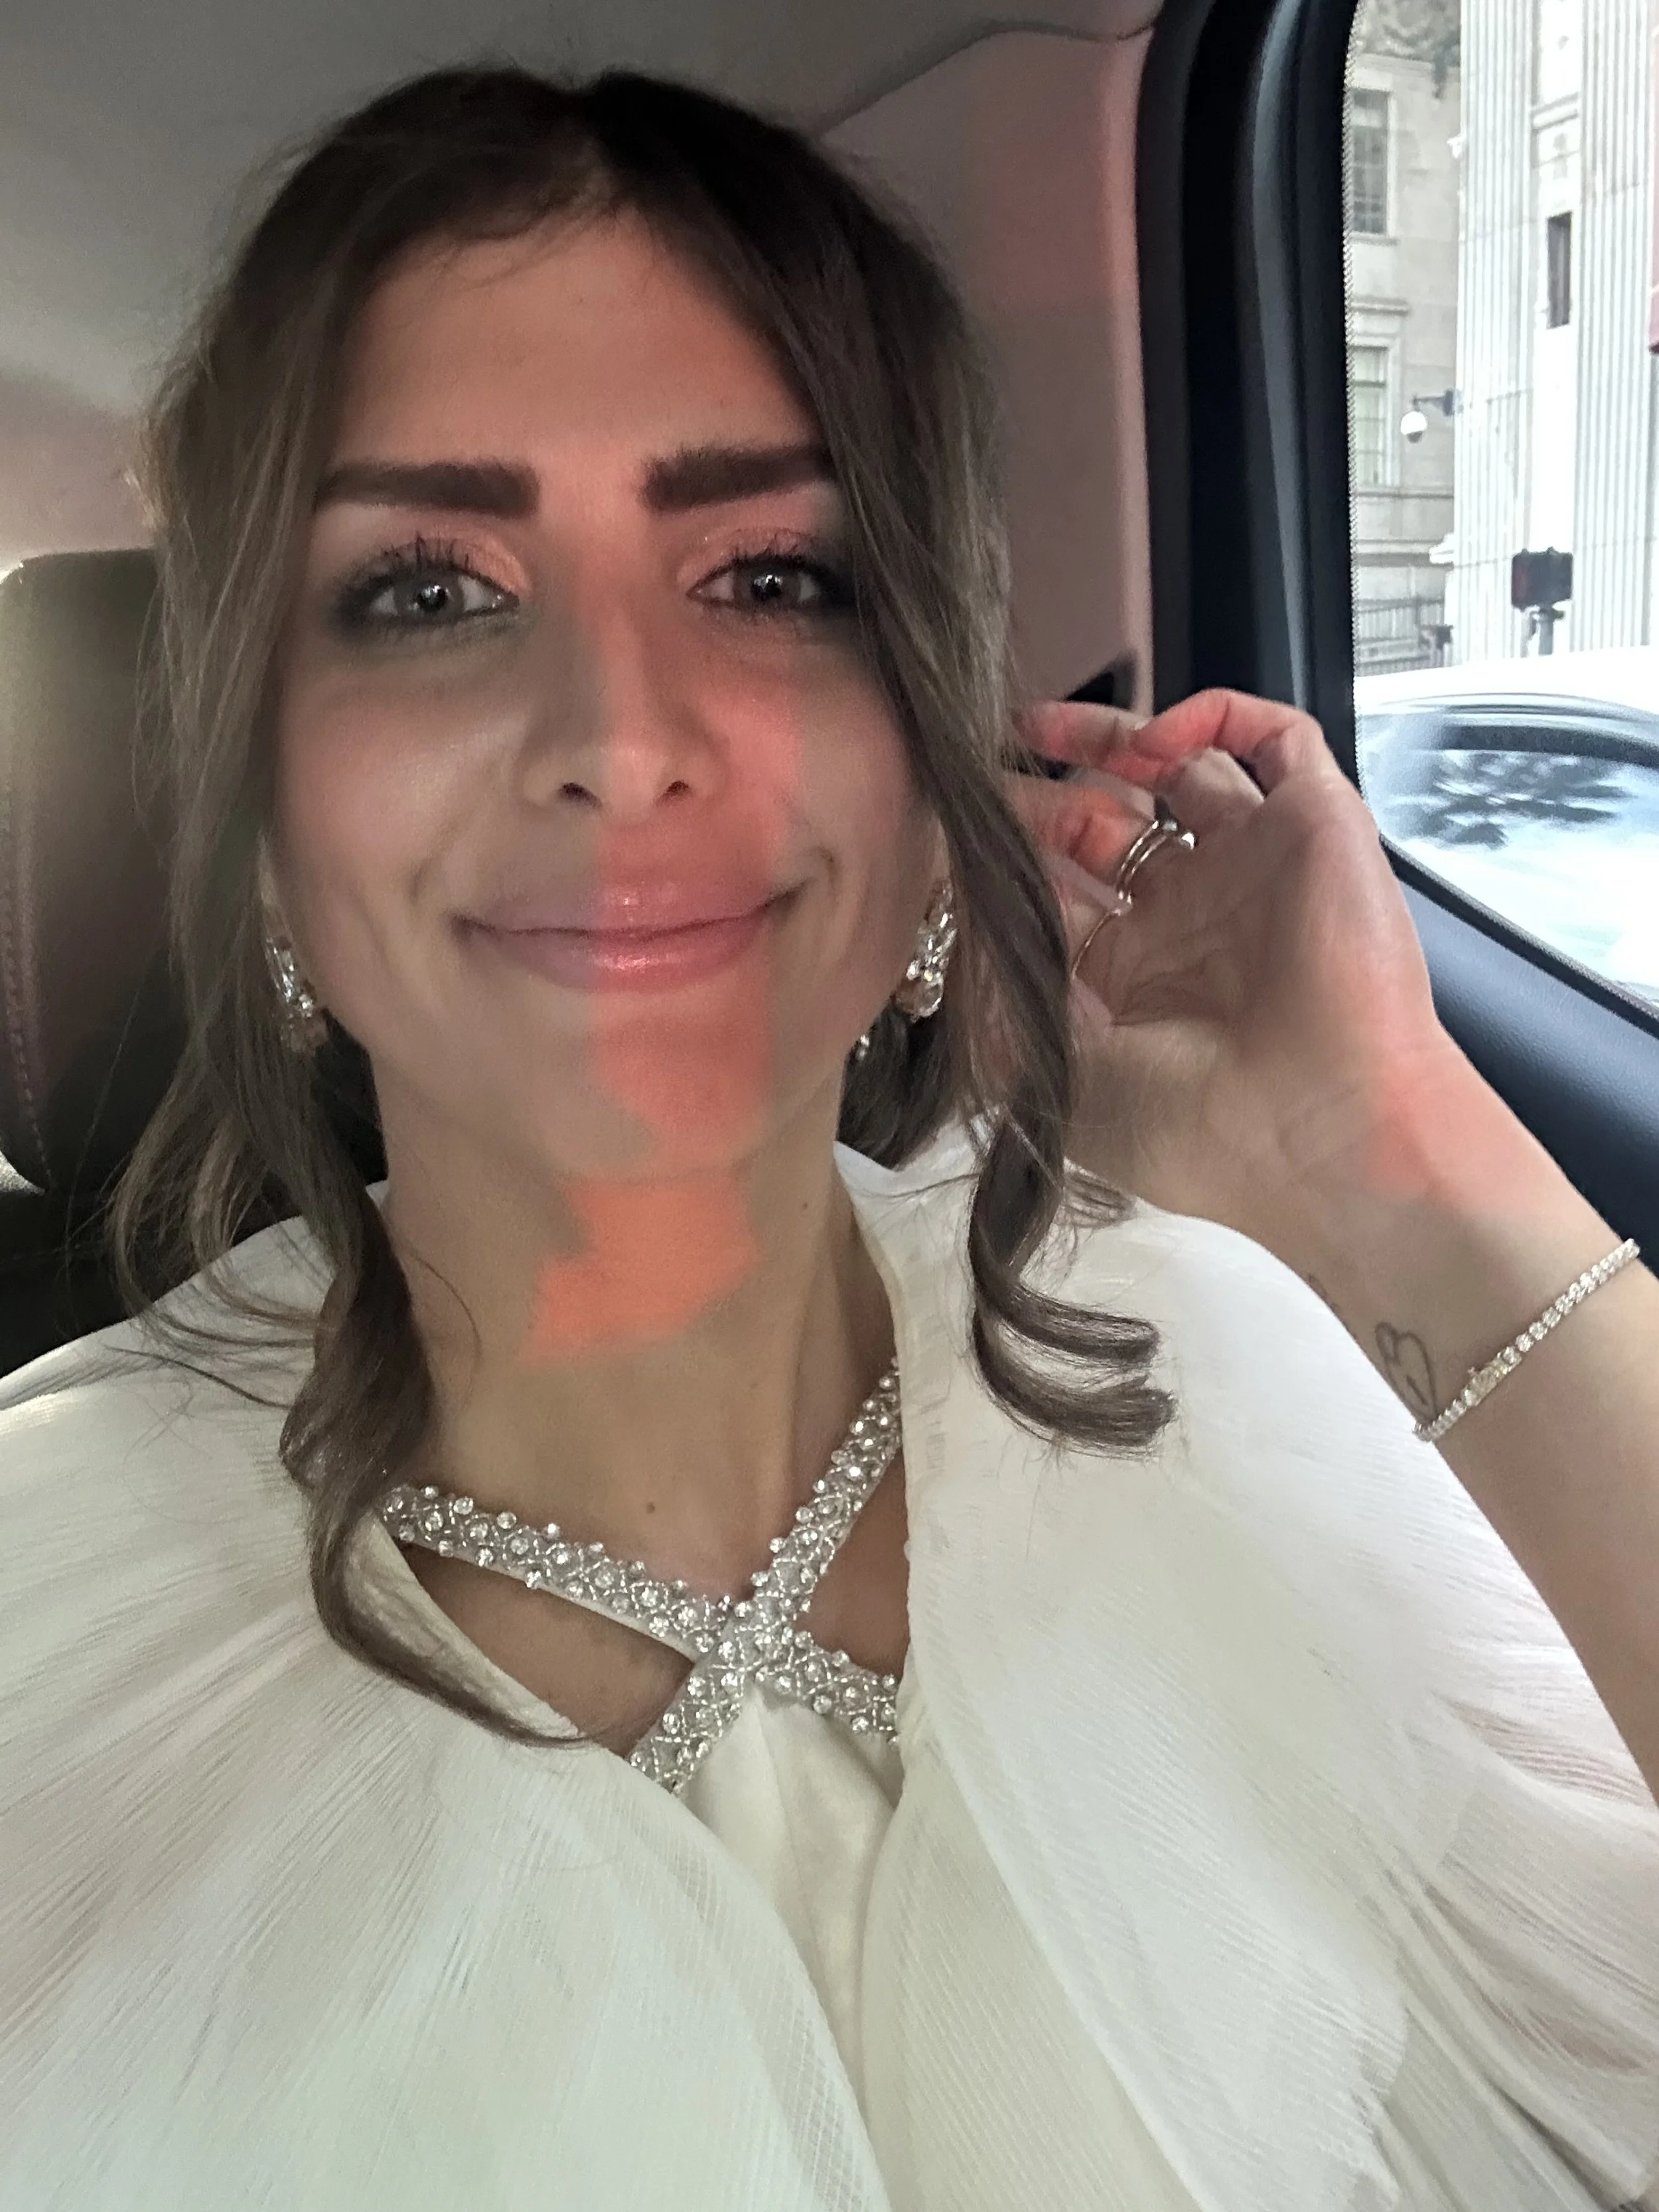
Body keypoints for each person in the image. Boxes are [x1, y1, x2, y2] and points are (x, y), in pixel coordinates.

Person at [2, 63, 1657, 2212]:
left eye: (775, 576)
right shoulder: (43, 1650)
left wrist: (1391, 1158)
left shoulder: (1220, 1369)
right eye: (427, 592)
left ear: (938, 779)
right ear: (259, 830)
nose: (617, 738)